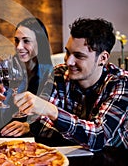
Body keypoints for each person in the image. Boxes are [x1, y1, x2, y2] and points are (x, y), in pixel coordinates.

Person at [14, 18, 128, 151]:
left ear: (102, 58)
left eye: (79, 56)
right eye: (68, 52)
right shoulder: (59, 73)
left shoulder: (121, 82)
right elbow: (40, 126)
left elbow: (98, 138)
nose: (69, 62)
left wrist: (52, 111)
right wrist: (81, 133)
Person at [0, 17, 54, 137]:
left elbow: (49, 113)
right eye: (17, 41)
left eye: (26, 41)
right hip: (1, 133)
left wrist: (29, 126)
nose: (18, 47)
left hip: (33, 136)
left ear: (40, 43)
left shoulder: (49, 73)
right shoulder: (2, 69)